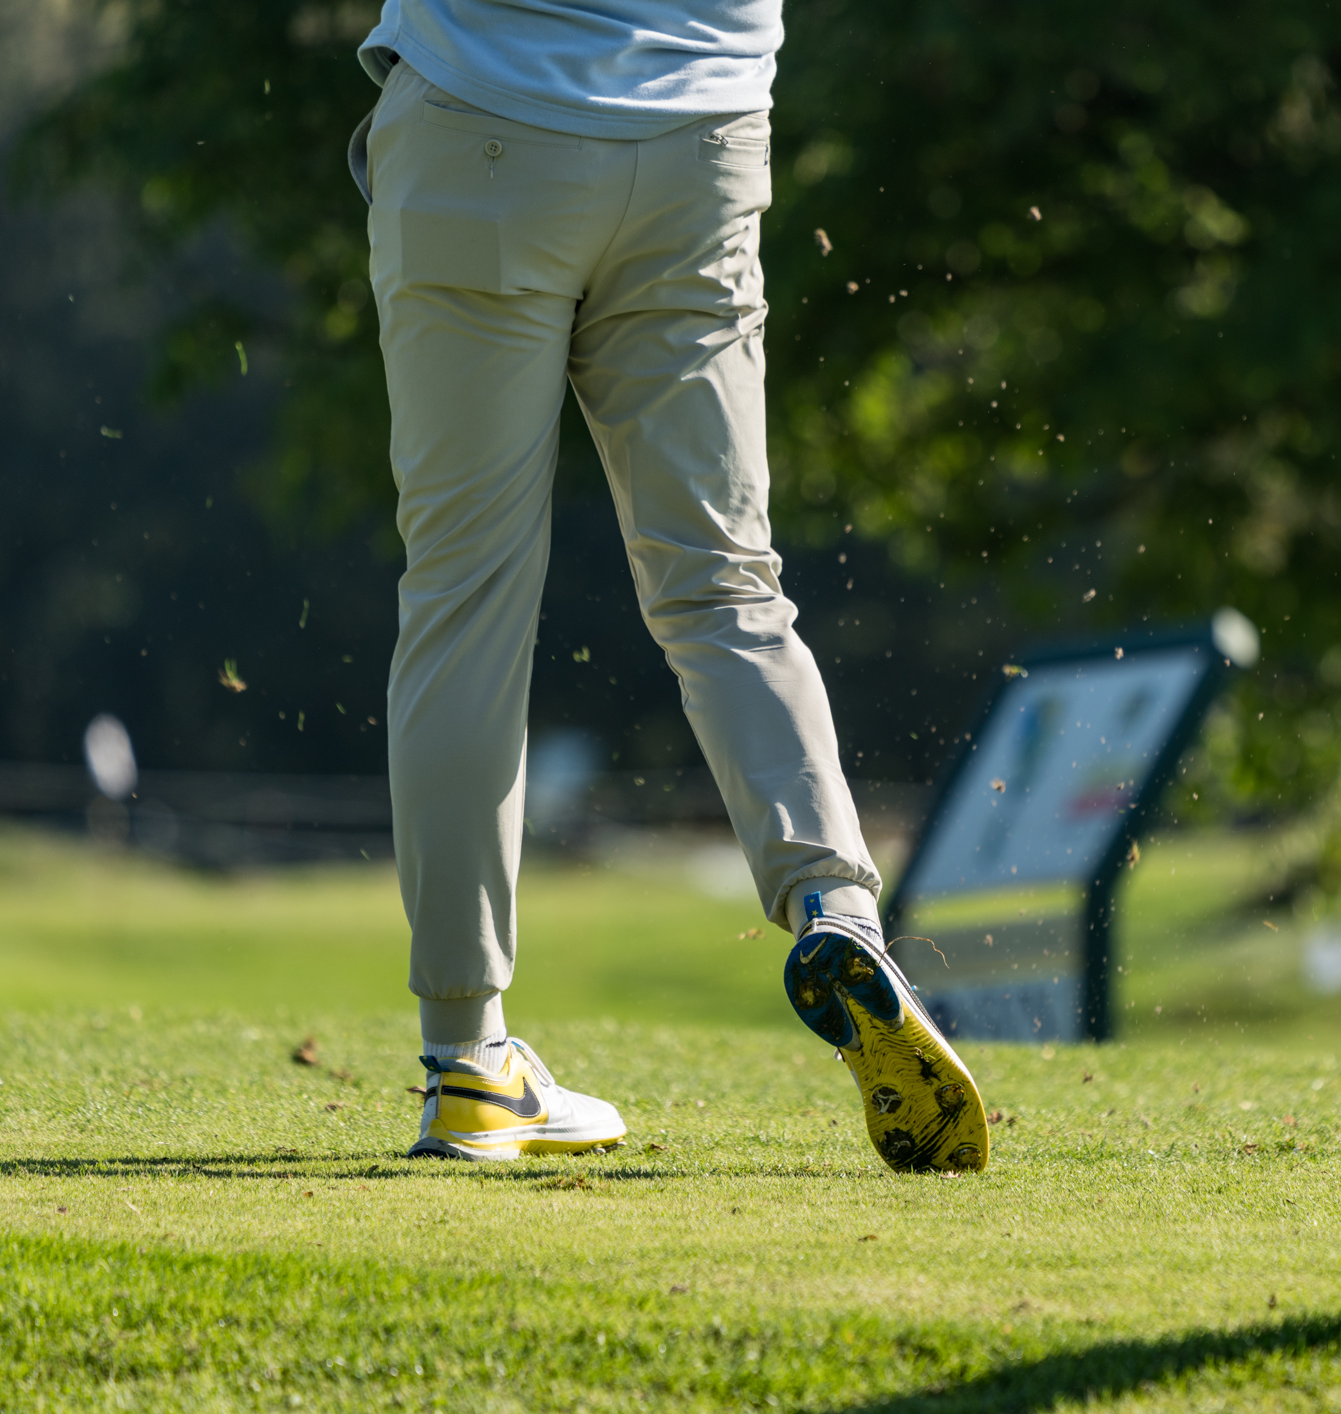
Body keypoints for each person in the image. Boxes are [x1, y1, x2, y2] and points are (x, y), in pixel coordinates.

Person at [346, 0, 987, 1174]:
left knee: (464, 601)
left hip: (481, 119)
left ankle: (470, 1063)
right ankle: (836, 907)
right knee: (727, 588)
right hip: (701, 136)